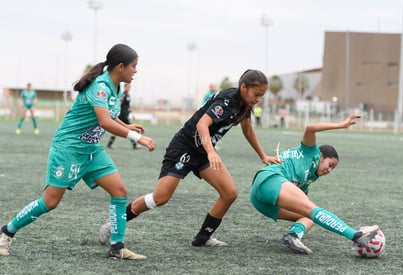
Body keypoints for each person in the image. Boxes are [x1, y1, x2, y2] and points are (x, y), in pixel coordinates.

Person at [0, 44, 157, 260]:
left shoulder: (115, 87)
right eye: (133, 66)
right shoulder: (100, 86)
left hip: (91, 150)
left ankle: (117, 247)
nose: (136, 71)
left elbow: (108, 115)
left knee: (119, 191)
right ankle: (6, 232)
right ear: (120, 67)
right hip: (68, 148)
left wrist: (125, 125)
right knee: (50, 202)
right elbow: (104, 121)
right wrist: (137, 138)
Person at [98, 69, 281, 247]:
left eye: (261, 96)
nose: (258, 99)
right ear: (243, 87)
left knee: (229, 193)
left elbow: (247, 129)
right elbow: (202, 124)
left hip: (203, 151)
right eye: (256, 94)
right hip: (184, 147)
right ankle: (114, 223)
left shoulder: (244, 105)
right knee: (160, 198)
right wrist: (211, 152)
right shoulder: (227, 100)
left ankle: (203, 237)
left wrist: (262, 155)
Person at [249, 114, 379, 254]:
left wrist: (300, 224)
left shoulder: (310, 178)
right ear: (321, 156)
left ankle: (293, 236)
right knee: (313, 210)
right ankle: (356, 236)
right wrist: (341, 125)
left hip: (261, 202)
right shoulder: (310, 151)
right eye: (330, 165)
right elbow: (310, 128)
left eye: (332, 169)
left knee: (308, 216)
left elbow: (302, 198)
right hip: (269, 179)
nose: (329, 170)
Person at [107, 82, 141, 149]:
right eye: (128, 87)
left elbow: (127, 106)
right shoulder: (123, 95)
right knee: (131, 129)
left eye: (130, 87)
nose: (129, 88)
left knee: (116, 130)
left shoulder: (128, 95)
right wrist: (115, 110)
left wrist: (132, 113)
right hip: (122, 115)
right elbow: (119, 103)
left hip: (125, 115)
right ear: (125, 87)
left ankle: (109, 144)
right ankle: (134, 145)